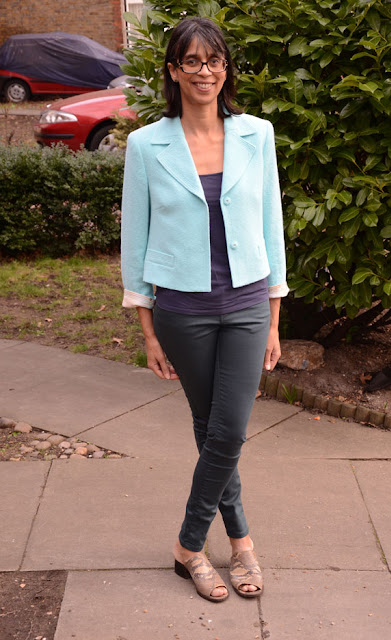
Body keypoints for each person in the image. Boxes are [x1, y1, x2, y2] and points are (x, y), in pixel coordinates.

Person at [121, 16, 288, 602]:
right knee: (211, 429)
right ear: (173, 71)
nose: (204, 71)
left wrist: (274, 319)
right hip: (182, 311)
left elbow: (271, 225)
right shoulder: (146, 145)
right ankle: (240, 542)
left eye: (214, 60)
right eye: (191, 61)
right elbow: (136, 242)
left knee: (228, 429)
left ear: (225, 69)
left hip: (247, 302)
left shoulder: (256, 135)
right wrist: (147, 331)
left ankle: (189, 544)